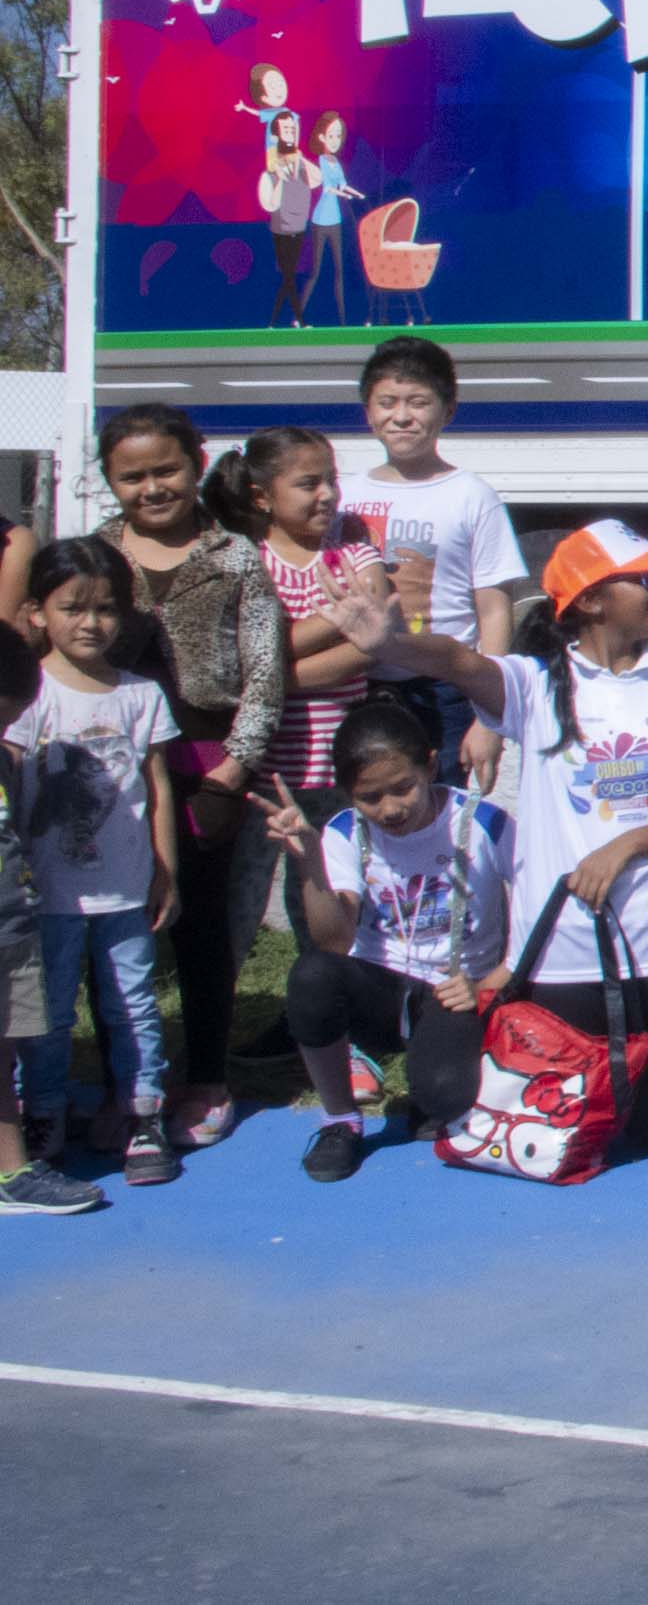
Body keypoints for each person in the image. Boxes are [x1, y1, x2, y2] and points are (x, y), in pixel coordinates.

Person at [326, 521, 648, 1154]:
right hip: (560, 951)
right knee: (565, 1133)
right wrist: (392, 642)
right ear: (592, 599)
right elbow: (462, 662)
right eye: (645, 578)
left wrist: (627, 844)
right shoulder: (537, 686)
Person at [92, 403, 285, 1152]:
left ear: (196, 460)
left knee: (202, 933)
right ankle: (122, 1081)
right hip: (114, 764)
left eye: (165, 469)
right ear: (109, 480)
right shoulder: (96, 553)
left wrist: (232, 772)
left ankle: (205, 1077)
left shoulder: (235, 555)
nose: (151, 487)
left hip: (207, 764)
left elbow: (266, 674)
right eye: (130, 475)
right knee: (111, 926)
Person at [261, 699, 511, 1182]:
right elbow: (334, 942)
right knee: (312, 975)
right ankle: (340, 1121)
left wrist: (491, 982)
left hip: (455, 991)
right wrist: (310, 862)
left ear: (431, 765)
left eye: (403, 789)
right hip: (379, 987)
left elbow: (534, 911)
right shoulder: (342, 832)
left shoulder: (484, 823)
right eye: (370, 797)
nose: (391, 809)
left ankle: (432, 1090)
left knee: (444, 1095)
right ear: (348, 793)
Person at [12, 538, 182, 1186]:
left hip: (125, 888)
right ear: (37, 612)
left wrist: (167, 870)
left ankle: (143, 1113)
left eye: (105, 608)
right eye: (72, 607)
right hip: (47, 893)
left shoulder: (140, 695)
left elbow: (159, 786)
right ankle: (45, 1114)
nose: (90, 622)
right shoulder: (29, 695)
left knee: (131, 1002)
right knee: (49, 1009)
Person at [342, 336, 529, 790]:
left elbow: (494, 609)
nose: (401, 416)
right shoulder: (346, 496)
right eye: (387, 402)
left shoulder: (471, 496)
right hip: (356, 685)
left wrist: (489, 717)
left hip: (445, 689)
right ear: (368, 412)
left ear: (447, 411)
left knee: (440, 806)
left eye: (418, 403)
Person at [211, 426, 387, 811]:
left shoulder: (357, 558)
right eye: (309, 484)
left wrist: (269, 680)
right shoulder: (244, 563)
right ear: (262, 497)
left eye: (331, 481)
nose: (327, 494)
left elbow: (371, 648)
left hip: (350, 770)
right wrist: (338, 622)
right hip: (269, 773)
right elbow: (239, 659)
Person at [0, 616, 97, 1211]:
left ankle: (12, 1172)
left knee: (4, 1048)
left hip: (9, 928)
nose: (7, 730)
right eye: (4, 714)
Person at [298, 109, 363, 326]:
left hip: (336, 220)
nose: (336, 140)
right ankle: (299, 317)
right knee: (315, 271)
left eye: (339, 135)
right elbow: (328, 188)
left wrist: (357, 194)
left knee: (339, 270)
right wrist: (344, 194)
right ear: (321, 137)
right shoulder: (321, 162)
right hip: (320, 220)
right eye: (331, 135)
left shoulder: (335, 162)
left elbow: (342, 184)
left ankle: (343, 320)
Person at [259, 106, 315, 328]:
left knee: (289, 276)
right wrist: (280, 178)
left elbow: (315, 181)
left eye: (293, 129)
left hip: (299, 223)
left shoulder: (299, 163)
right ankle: (294, 320)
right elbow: (269, 203)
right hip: (281, 227)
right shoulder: (272, 168)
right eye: (286, 130)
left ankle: (275, 322)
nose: (290, 134)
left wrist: (301, 161)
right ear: (276, 134)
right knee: (289, 276)